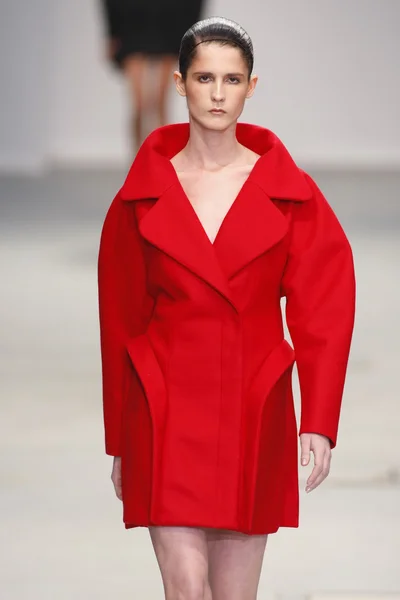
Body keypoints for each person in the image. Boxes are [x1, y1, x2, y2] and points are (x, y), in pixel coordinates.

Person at [98, 16, 356, 600]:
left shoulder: (291, 196)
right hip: (164, 405)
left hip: (251, 404)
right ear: (179, 82)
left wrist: (318, 419)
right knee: (187, 589)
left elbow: (325, 309)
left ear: (252, 87)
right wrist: (120, 439)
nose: (218, 94)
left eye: (232, 80)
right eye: (205, 78)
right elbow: (118, 319)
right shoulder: (140, 197)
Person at [100, 0, 204, 153]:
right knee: (140, 105)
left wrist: (194, 30)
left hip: (168, 21)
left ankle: (162, 163)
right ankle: (138, 160)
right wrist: (112, 31)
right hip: (132, 21)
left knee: (160, 104)